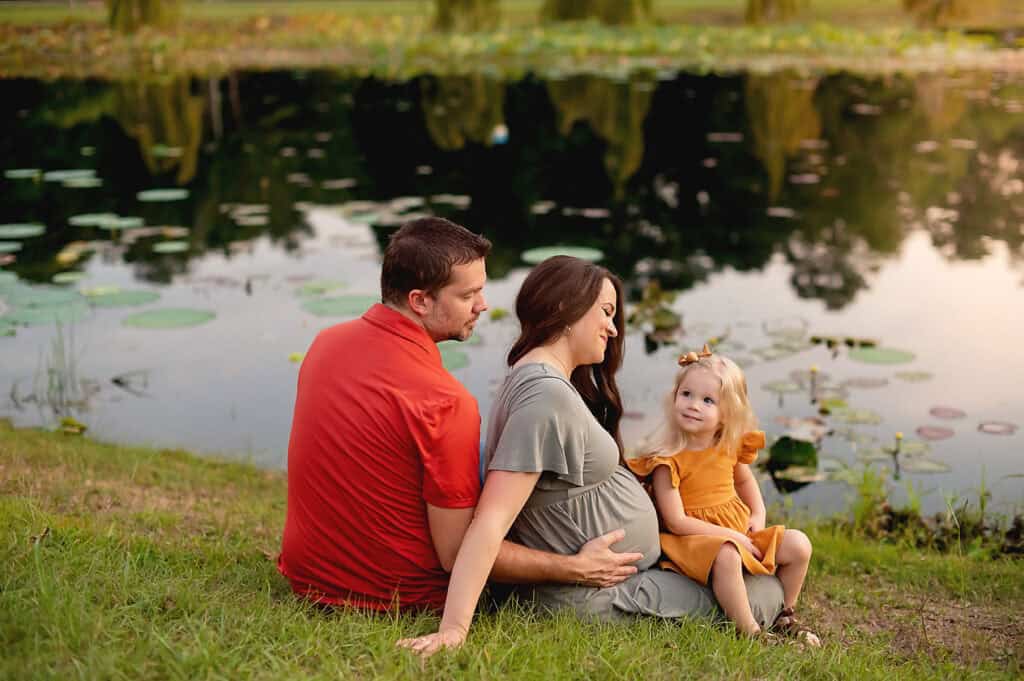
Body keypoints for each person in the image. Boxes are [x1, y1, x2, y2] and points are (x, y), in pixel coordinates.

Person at [398, 256, 784, 656]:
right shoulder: (544, 394)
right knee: (764, 593)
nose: (613, 328)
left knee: (748, 574)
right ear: (566, 309)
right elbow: (491, 520)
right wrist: (454, 629)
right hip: (591, 595)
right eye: (606, 312)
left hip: (602, 582)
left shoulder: (535, 377)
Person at [278, 218, 640, 613]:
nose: (483, 305)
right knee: (512, 473)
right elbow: (457, 555)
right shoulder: (445, 402)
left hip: (308, 574)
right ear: (420, 301)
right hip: (399, 596)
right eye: (469, 295)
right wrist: (573, 568)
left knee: (497, 451)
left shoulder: (326, 344)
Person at [626, 345, 819, 644]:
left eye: (707, 400)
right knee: (727, 554)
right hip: (693, 539)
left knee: (798, 545)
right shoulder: (668, 460)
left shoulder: (728, 445)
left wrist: (757, 515)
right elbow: (675, 521)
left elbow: (745, 482)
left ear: (727, 414)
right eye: (686, 394)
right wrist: (733, 538)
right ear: (674, 396)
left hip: (737, 530)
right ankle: (751, 632)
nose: (693, 405)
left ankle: (785, 614)